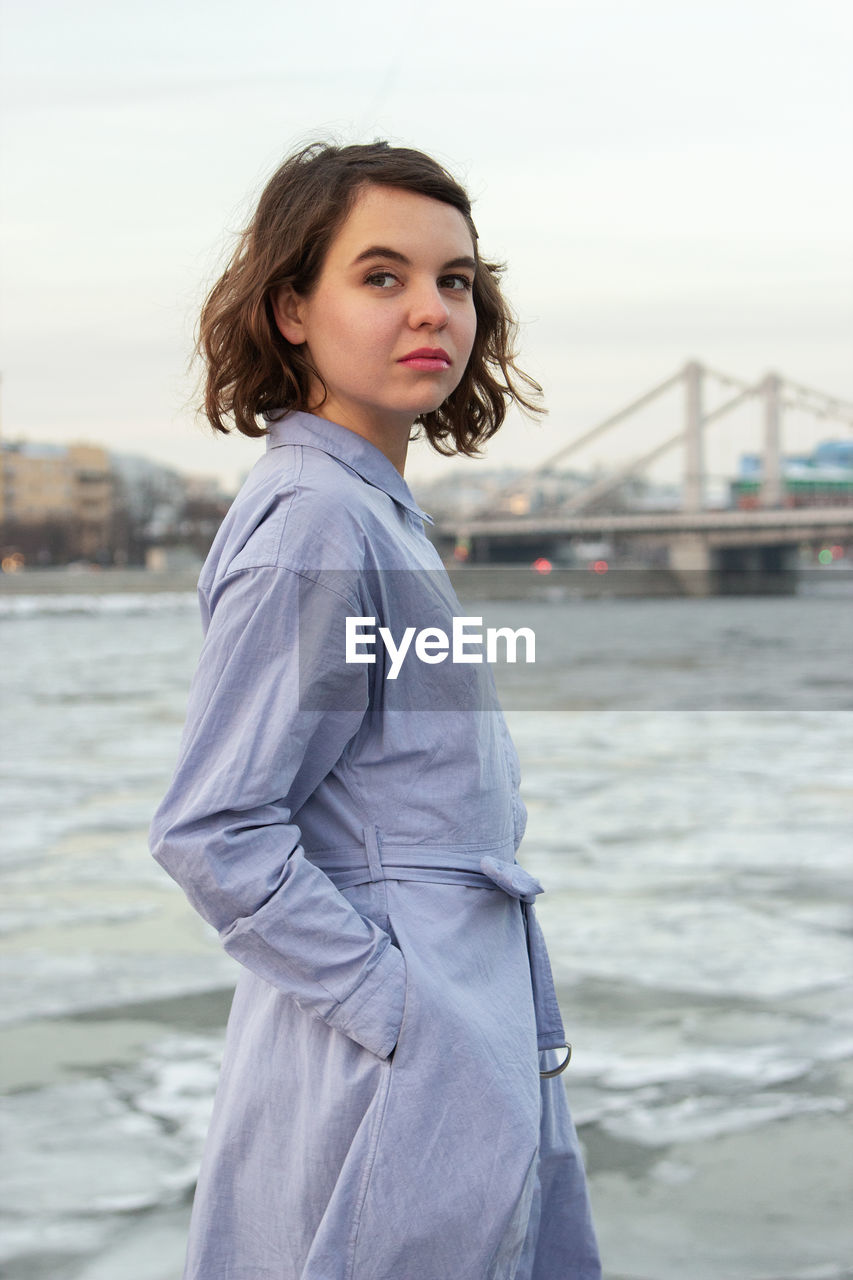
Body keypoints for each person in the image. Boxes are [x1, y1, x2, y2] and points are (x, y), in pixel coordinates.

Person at [150, 140, 601, 1280]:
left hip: (441, 1026)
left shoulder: (368, 508)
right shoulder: (316, 523)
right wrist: (403, 1008)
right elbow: (212, 828)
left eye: (455, 281)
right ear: (293, 306)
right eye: (382, 275)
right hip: (389, 1055)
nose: (431, 311)